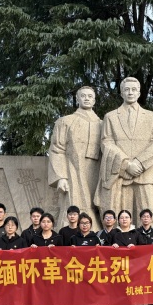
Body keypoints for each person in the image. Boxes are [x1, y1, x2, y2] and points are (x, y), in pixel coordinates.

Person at [95, 77, 153, 220]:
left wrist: (139, 162)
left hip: (145, 173)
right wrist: (126, 164)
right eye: (127, 89)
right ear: (121, 93)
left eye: (134, 89)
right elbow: (106, 142)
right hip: (120, 173)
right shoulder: (110, 117)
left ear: (139, 93)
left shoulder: (151, 116)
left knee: (148, 215)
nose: (130, 92)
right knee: (120, 216)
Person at [48, 86, 102, 228]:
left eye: (90, 96)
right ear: (77, 99)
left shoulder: (102, 124)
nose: (86, 99)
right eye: (83, 96)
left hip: (97, 171)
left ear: (94, 100)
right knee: (73, 205)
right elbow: (57, 149)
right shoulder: (65, 121)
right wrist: (61, 176)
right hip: (73, 170)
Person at [111, 210, 146, 305]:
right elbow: (105, 249)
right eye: (122, 217)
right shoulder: (114, 233)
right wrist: (112, 247)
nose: (124, 219)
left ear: (131, 220)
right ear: (118, 220)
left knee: (130, 298)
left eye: (126, 217)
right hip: (117, 270)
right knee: (117, 298)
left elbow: (145, 249)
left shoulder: (136, 233)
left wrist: (136, 248)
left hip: (132, 271)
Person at [29, 213, 63, 305]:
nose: (46, 224)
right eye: (43, 221)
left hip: (53, 272)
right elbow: (28, 255)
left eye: (48, 221)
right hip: (37, 272)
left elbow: (64, 256)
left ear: (52, 223)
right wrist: (32, 248)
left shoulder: (58, 237)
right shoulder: (35, 237)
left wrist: (56, 250)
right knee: (37, 297)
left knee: (51, 298)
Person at [70, 213, 100, 305]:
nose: (84, 225)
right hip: (76, 274)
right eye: (82, 223)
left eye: (87, 223)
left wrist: (99, 249)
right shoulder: (74, 238)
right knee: (75, 299)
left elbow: (100, 257)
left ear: (91, 224)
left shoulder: (95, 238)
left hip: (90, 274)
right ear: (78, 225)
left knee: (89, 301)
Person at [20, 207, 44, 305]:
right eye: (34, 216)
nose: (36, 218)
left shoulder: (45, 231)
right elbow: (22, 248)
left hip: (42, 265)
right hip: (28, 265)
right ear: (30, 218)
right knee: (28, 291)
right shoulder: (25, 232)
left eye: (38, 216)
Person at [95, 209, 119, 305]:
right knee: (102, 291)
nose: (108, 219)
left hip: (115, 267)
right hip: (101, 266)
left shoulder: (118, 233)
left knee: (114, 291)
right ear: (103, 220)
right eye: (106, 218)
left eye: (111, 218)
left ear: (115, 220)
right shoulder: (98, 234)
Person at [58, 205, 80, 305]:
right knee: (65, 289)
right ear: (67, 216)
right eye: (70, 214)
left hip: (79, 265)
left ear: (78, 216)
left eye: (75, 214)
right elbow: (59, 247)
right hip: (65, 264)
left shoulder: (81, 230)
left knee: (77, 289)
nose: (72, 216)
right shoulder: (63, 231)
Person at [135, 209, 153, 305]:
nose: (146, 218)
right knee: (139, 291)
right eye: (143, 216)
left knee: (151, 291)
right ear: (140, 219)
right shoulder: (136, 232)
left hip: (152, 266)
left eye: (148, 216)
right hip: (139, 266)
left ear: (151, 219)